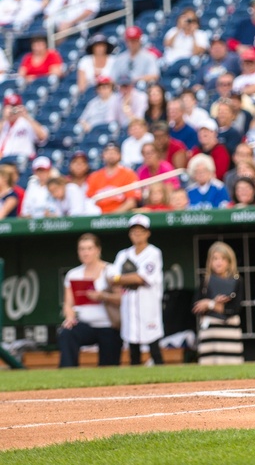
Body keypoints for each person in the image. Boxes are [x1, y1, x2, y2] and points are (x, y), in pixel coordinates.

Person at [58, 233, 122, 367]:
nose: (85, 253)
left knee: (108, 366)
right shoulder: (73, 274)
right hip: (85, 325)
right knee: (67, 333)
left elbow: (121, 298)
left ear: (98, 250)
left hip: (108, 326)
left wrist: (102, 296)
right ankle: (67, 374)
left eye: (89, 248)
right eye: (82, 249)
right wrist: (70, 317)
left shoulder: (110, 270)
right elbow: (68, 304)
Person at [108, 215, 164, 366]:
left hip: (148, 305)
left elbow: (141, 278)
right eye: (134, 231)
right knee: (133, 349)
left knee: (154, 347)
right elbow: (111, 277)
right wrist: (126, 278)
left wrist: (121, 278)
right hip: (129, 305)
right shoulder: (123, 254)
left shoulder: (154, 252)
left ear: (147, 233)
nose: (137, 234)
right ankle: (135, 385)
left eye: (141, 230)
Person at [192, 241, 244, 365]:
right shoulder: (205, 281)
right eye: (215, 258)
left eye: (222, 259)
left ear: (229, 261)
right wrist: (213, 303)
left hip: (230, 333)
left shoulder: (237, 280)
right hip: (210, 332)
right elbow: (195, 307)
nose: (218, 262)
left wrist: (211, 305)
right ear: (209, 261)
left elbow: (235, 309)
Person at [87, 143, 141, 215]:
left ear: (120, 155)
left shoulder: (129, 174)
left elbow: (131, 202)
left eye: (114, 152)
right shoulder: (94, 176)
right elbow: (88, 201)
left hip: (122, 216)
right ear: (103, 155)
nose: (111, 155)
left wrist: (112, 216)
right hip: (98, 216)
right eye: (108, 152)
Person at [0, 93, 49, 158]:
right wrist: (5, 118)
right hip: (4, 160)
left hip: (22, 160)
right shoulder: (4, 123)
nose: (13, 110)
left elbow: (43, 136)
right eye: (10, 106)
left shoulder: (26, 122)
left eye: (15, 106)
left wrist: (26, 116)